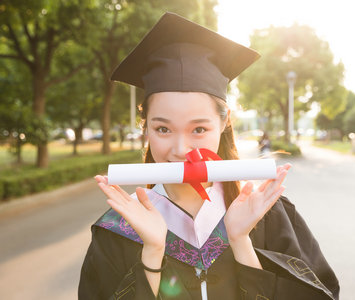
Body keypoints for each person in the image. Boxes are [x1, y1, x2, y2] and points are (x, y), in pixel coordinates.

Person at [78, 12, 339, 300]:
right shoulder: (120, 229)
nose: (180, 149)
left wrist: (241, 242)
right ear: (145, 127)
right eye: (163, 128)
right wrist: (151, 253)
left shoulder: (266, 215)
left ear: (224, 124)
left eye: (199, 129)